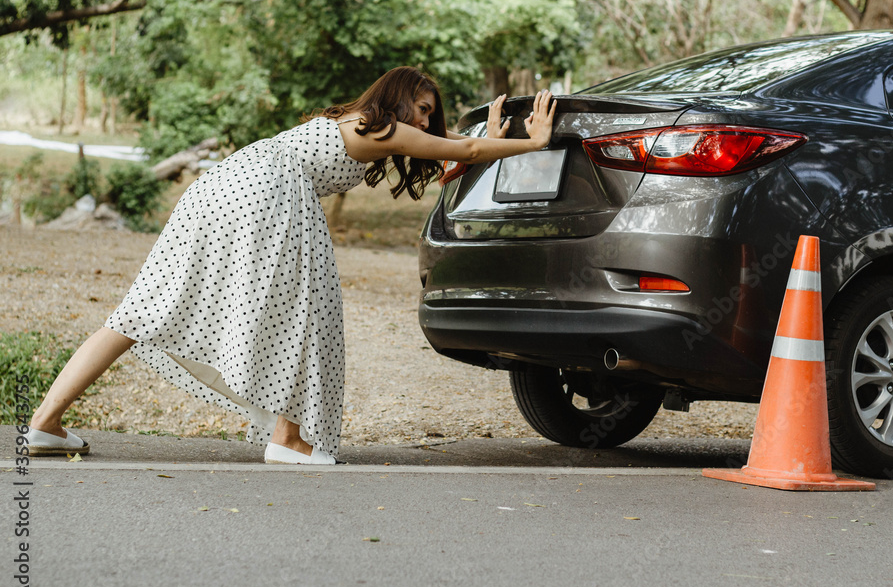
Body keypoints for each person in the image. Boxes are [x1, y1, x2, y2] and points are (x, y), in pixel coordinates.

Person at [27, 67, 555, 464]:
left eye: (428, 113)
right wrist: (530, 140)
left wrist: (489, 137)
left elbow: (451, 158)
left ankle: (45, 423)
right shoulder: (385, 127)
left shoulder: (357, 123)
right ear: (395, 99)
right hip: (270, 196)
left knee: (143, 310)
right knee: (307, 313)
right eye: (420, 107)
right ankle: (288, 438)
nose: (423, 119)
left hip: (223, 187)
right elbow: (457, 146)